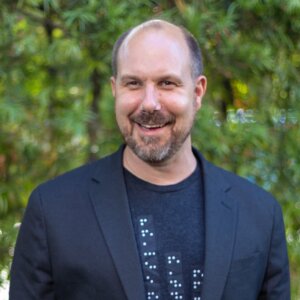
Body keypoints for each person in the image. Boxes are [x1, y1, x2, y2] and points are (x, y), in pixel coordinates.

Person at [10, 19, 290, 300]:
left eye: (167, 83)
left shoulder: (260, 214)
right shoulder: (53, 210)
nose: (149, 103)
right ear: (115, 89)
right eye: (133, 83)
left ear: (197, 92)